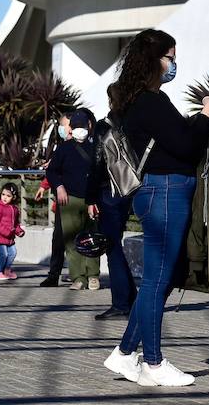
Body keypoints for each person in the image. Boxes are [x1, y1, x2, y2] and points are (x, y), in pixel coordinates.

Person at [102, 28, 209, 388]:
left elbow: (174, 140)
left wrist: (201, 116)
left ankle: (125, 353)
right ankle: (152, 363)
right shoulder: (151, 102)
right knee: (158, 279)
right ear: (153, 60)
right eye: (170, 57)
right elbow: (186, 146)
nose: (174, 64)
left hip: (160, 191)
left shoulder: (141, 101)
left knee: (163, 277)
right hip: (165, 192)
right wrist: (206, 113)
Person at [46, 108, 102, 290]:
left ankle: (93, 275)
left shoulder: (96, 148)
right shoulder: (63, 149)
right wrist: (59, 186)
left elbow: (101, 174)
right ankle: (78, 277)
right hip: (69, 200)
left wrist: (95, 200)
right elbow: (52, 171)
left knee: (92, 238)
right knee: (71, 241)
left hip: (91, 201)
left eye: (82, 126)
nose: (79, 129)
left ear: (89, 126)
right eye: (76, 126)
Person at [93, 109, 138, 320]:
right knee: (115, 246)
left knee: (112, 248)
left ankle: (121, 303)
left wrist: (89, 198)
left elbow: (97, 162)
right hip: (127, 189)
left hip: (108, 192)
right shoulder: (132, 123)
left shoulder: (103, 126)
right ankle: (131, 298)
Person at [39, 114, 71, 288]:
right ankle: (54, 274)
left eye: (64, 125)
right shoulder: (62, 148)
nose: (62, 129)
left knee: (77, 238)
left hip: (80, 198)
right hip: (62, 200)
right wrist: (44, 186)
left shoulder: (86, 145)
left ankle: (82, 274)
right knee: (58, 237)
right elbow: (53, 170)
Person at [0, 182, 25, 280]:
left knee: (13, 253)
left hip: (9, 237)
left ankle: (6, 270)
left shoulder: (14, 209)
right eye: (3, 194)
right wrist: (6, 232)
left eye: (8, 196)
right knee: (3, 254)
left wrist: (19, 231)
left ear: (13, 197)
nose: (4, 197)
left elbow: (15, 224)